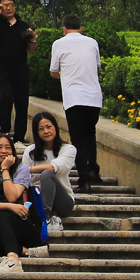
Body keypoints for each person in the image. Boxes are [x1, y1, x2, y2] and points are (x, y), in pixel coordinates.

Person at [46, 14, 102, 193]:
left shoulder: (58, 44)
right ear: (81, 28)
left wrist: (68, 75)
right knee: (90, 134)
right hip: (94, 97)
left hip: (74, 97)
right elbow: (97, 68)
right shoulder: (92, 42)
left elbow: (53, 72)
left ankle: (84, 181)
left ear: (64, 29)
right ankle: (94, 170)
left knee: (77, 139)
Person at [0, 132, 46, 273]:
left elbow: (12, 196)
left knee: (1, 218)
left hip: (23, 222)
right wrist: (10, 207)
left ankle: (13, 259)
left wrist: (5, 169)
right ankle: (25, 251)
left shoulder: (22, 169)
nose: (4, 151)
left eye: (8, 147)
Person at [0, 0, 35, 144]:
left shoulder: (23, 25)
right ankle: (4, 131)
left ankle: (19, 138)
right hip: (2, 67)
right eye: (4, 6)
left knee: (22, 102)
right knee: (6, 97)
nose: (9, 8)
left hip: (20, 67)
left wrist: (33, 39)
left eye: (11, 4)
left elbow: (31, 50)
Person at [25, 112, 76, 233]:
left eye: (49, 127)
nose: (46, 131)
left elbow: (53, 167)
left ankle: (46, 216)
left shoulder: (68, 149)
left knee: (47, 174)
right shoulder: (30, 151)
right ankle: (50, 216)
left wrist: (28, 169)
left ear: (55, 128)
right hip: (38, 197)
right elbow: (24, 179)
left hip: (62, 202)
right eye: (41, 129)